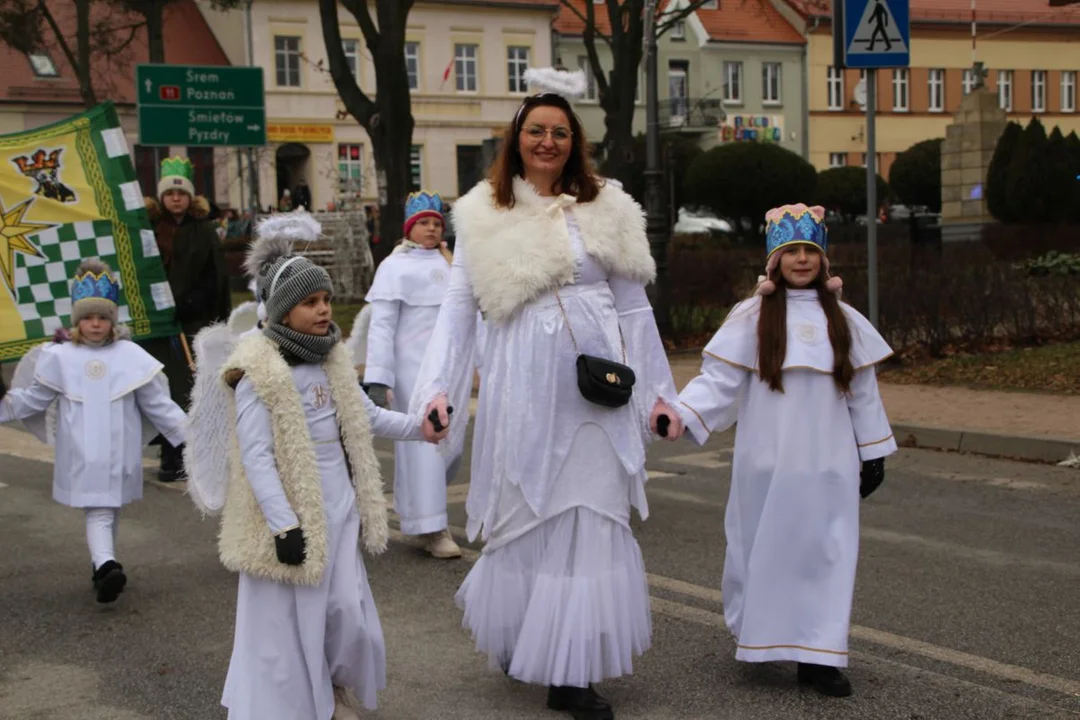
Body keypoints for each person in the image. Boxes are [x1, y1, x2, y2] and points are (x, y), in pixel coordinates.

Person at [412, 67, 682, 720]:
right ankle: (523, 636)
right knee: (525, 516)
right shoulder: (481, 212)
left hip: (593, 396)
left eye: (560, 131)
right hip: (522, 392)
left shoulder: (609, 207)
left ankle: (571, 671)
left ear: (575, 141)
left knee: (588, 515)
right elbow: (458, 312)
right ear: (516, 137)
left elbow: (635, 309)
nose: (548, 141)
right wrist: (438, 391)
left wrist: (660, 397)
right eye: (536, 130)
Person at [184, 211, 432, 720]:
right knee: (290, 619)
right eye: (310, 303)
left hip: (338, 507)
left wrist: (420, 427)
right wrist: (283, 524)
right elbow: (255, 455)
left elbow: (367, 417)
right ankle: (306, 700)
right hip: (292, 514)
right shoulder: (259, 370)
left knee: (346, 613)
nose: (323, 311)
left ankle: (334, 686)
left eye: (324, 300)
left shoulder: (331, 359)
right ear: (282, 310)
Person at [674, 204, 895, 698]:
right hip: (767, 464)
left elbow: (863, 392)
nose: (801, 260)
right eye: (790, 251)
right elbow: (719, 382)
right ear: (774, 260)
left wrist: (873, 451)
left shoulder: (843, 319)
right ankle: (766, 637)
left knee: (827, 553)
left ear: (823, 259)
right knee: (766, 551)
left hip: (830, 464)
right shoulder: (752, 317)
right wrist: (681, 413)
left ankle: (820, 658)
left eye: (809, 251)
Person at [0, 260, 187, 603]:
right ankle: (105, 565)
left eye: (102, 317)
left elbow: (157, 404)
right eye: (88, 317)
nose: (96, 324)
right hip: (83, 450)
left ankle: (104, 564)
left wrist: (189, 435)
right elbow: (33, 400)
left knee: (109, 506)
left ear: (113, 320)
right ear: (76, 319)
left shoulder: (130, 355)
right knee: (98, 508)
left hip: (120, 449)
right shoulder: (59, 356)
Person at [363, 190, 474, 559]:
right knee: (426, 443)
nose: (430, 228)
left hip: (450, 369)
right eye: (423, 222)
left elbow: (469, 320)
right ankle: (432, 527)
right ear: (410, 228)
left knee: (451, 447)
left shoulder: (452, 265)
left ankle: (420, 511)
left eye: (436, 223)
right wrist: (381, 378)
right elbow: (381, 326)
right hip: (413, 372)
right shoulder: (393, 268)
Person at [141, 156, 231, 482]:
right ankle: (169, 452)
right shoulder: (149, 229)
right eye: (170, 194)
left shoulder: (204, 231)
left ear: (190, 197)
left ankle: (196, 454)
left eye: (181, 193)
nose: (176, 198)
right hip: (161, 326)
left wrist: (192, 302)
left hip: (194, 321)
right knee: (164, 389)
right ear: (162, 197)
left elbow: (215, 276)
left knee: (193, 389)